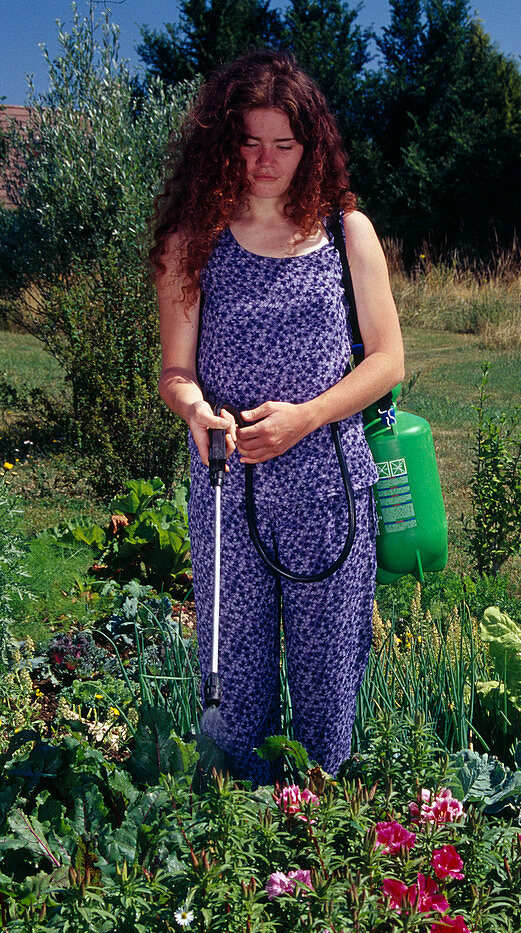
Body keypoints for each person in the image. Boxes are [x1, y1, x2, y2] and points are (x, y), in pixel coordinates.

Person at [150, 50, 404, 785]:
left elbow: (387, 359)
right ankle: (235, 853)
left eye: (284, 145)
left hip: (331, 492)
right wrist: (197, 410)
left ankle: (316, 854)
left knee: (328, 691)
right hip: (230, 493)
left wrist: (306, 418)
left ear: (310, 146)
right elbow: (175, 371)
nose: (266, 161)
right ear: (221, 144)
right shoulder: (190, 241)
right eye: (250, 142)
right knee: (237, 692)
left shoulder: (348, 232)